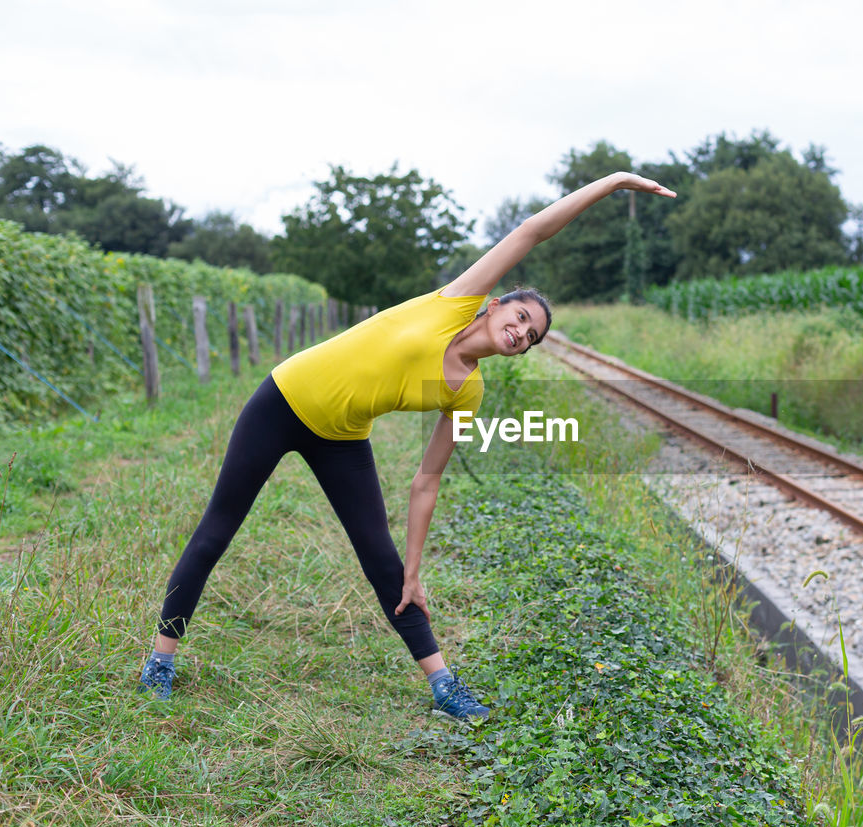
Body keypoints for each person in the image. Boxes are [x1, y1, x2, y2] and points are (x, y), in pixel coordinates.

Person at [138, 171, 676, 718]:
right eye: (520, 318)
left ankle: (444, 685)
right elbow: (532, 233)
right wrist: (611, 185)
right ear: (494, 306)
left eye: (530, 338)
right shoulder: (454, 302)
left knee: (386, 564)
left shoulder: (468, 391)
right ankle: (160, 661)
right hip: (283, 399)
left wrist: (415, 567)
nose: (521, 333)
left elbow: (428, 478)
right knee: (216, 532)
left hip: (341, 437)